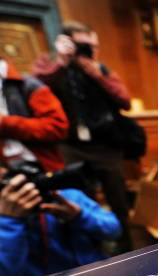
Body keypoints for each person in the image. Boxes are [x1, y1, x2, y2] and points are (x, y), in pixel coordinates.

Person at [32, 21, 133, 252]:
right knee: (81, 200)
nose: (87, 50)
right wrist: (62, 62)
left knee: (118, 201)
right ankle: (92, 253)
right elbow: (36, 86)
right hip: (71, 146)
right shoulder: (52, 66)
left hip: (106, 146)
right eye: (81, 45)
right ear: (65, 43)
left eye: (90, 45)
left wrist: (92, 69)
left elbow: (124, 100)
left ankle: (129, 249)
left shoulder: (100, 69)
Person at [0, 164, 121, 276]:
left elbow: (114, 230)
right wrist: (9, 221)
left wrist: (79, 216)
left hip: (98, 275)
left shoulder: (66, 195)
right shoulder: (4, 223)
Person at [0, 57, 68, 172]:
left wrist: (4, 123)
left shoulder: (26, 84)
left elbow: (57, 127)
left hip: (44, 171)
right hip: (8, 177)